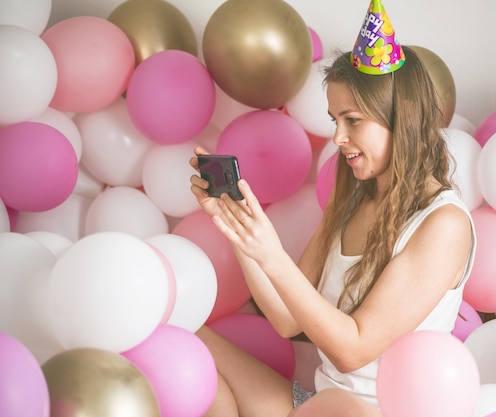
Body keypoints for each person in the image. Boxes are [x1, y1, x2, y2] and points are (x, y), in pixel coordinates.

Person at [189, 26, 476, 417]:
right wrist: (238, 229)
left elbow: (352, 351)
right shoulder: (355, 199)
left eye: (352, 120)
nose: (338, 137)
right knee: (192, 341)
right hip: (319, 405)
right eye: (334, 120)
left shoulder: (443, 224)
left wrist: (271, 254)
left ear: (401, 120)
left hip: (370, 413)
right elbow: (287, 319)